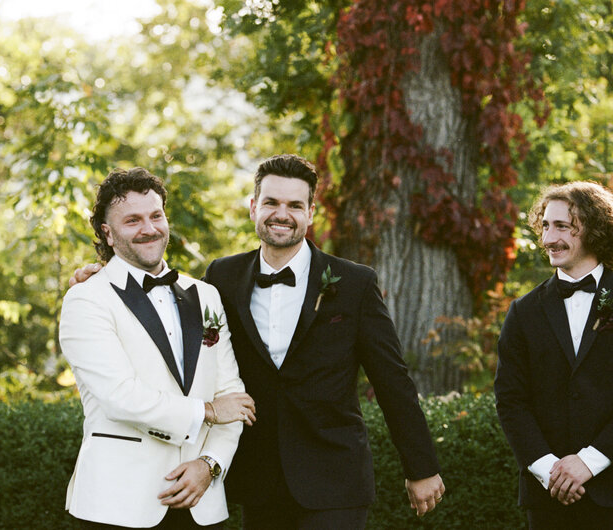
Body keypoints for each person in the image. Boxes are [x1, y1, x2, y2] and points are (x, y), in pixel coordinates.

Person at [73, 155, 444, 528]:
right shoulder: (223, 278)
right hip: (257, 481)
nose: (281, 214)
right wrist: (101, 275)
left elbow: (392, 380)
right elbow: (165, 318)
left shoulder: (355, 284)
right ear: (254, 207)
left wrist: (421, 466)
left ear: (311, 212)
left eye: (294, 205)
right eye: (271, 203)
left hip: (334, 479)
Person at [59, 167, 256, 529]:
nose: (148, 229)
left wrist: (209, 464)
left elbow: (234, 398)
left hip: (201, 502)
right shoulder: (87, 299)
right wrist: (208, 411)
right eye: (132, 220)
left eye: (156, 216)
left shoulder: (206, 295)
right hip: (117, 505)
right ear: (108, 232)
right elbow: (119, 397)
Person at [495, 181, 613, 529]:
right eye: (545, 225)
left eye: (562, 226)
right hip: (548, 497)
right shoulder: (523, 312)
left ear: (594, 228)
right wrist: (551, 470)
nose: (548, 238)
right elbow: (510, 400)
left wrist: (590, 462)